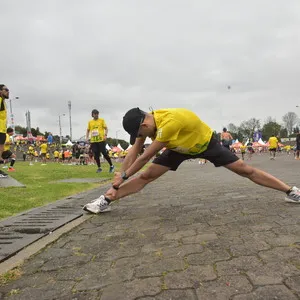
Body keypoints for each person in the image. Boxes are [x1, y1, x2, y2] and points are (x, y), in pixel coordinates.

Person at [83, 107, 300, 213]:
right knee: (147, 177)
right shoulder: (147, 124)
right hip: (180, 148)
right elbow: (135, 150)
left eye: (144, 133)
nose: (145, 137)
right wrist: (118, 175)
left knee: (244, 169)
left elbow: (146, 156)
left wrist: (123, 176)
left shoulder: (168, 123)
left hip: (206, 143)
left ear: (145, 125)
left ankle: (290, 192)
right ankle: (106, 201)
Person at [0, 84, 9, 178]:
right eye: (6, 90)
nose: (8, 91)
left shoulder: (2, 101)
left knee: (1, 150)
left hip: (2, 129)